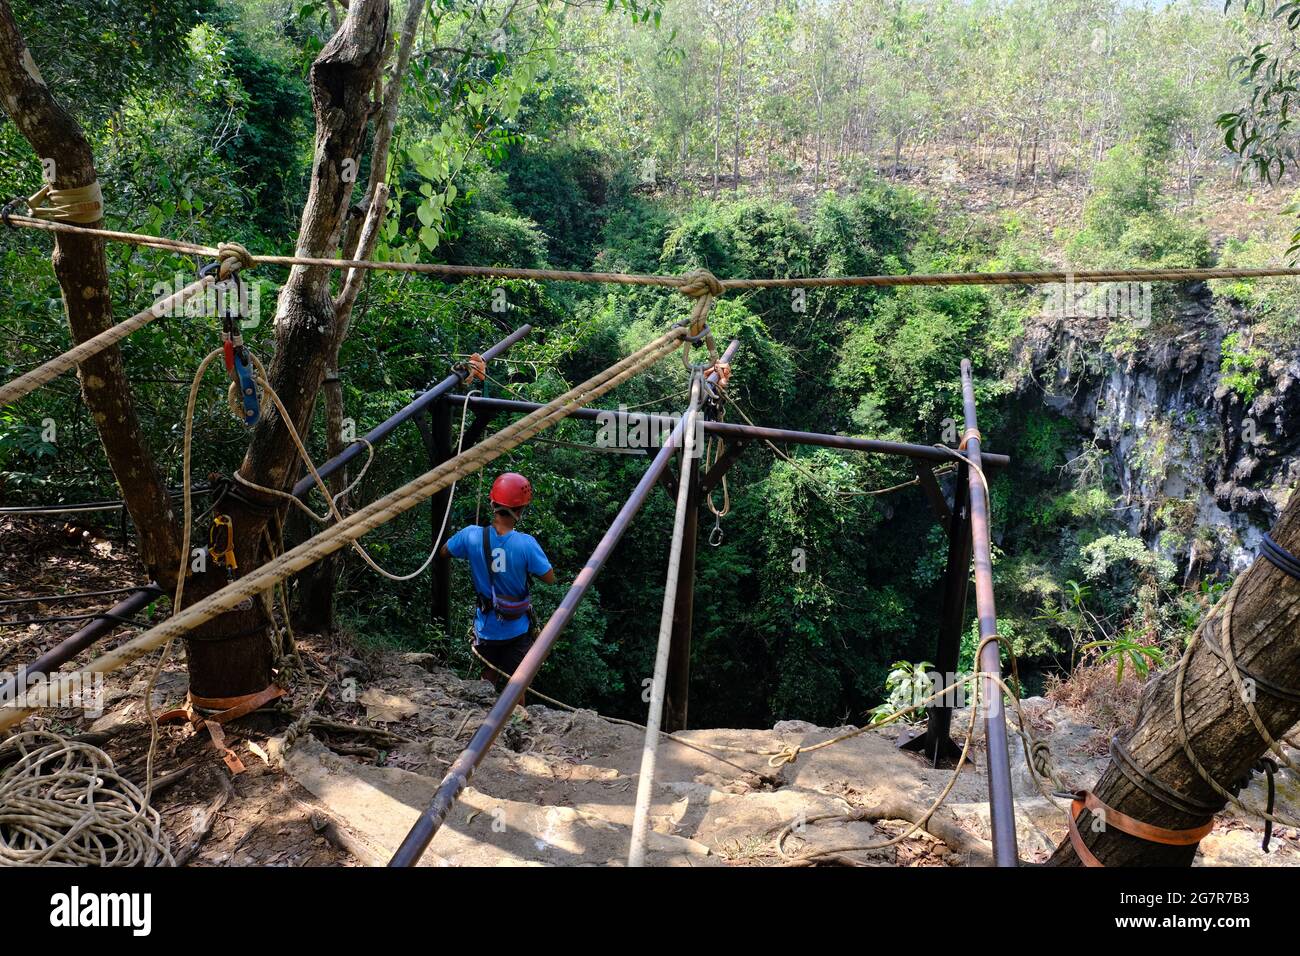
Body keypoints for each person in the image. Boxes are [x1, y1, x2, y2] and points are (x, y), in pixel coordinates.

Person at [441, 471, 555, 691]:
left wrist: (472, 551)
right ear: (520, 510)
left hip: (486, 628)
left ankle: (484, 715)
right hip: (517, 628)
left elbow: (444, 551)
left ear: (492, 503)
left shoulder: (470, 535)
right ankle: (519, 720)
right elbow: (549, 578)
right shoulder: (526, 544)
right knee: (517, 686)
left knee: (487, 678)